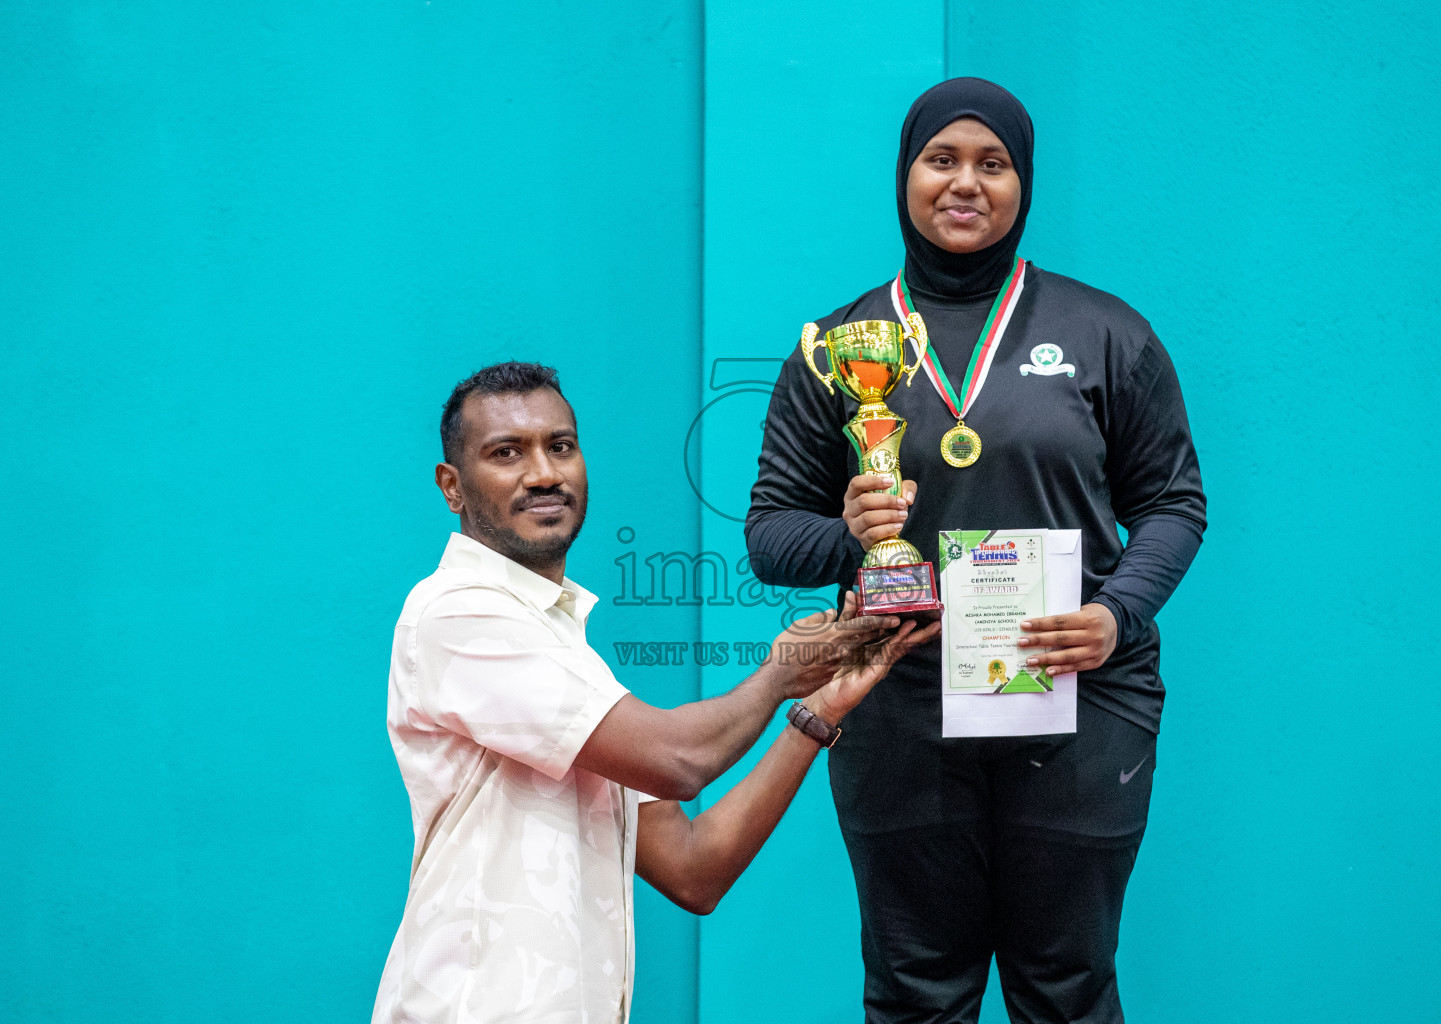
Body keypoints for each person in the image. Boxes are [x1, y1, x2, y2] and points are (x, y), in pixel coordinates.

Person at [746, 78, 1207, 1023]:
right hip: (898, 699)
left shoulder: (1105, 333)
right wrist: (851, 532)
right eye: (941, 160)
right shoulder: (837, 347)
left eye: (991, 164)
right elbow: (769, 536)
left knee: (1068, 989)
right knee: (917, 995)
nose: (966, 184)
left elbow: (1173, 503)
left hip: (1076, 696)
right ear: (905, 175)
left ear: (1023, 182)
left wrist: (1117, 617)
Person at [372, 361, 937, 1024]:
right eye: (506, 453)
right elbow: (679, 759)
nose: (545, 473)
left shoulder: (561, 652)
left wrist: (814, 714)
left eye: (560, 446)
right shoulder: (458, 612)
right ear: (452, 487)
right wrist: (781, 672)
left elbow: (695, 869)